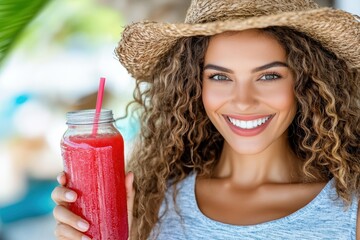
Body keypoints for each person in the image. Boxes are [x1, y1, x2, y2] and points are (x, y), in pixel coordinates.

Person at [51, 0, 360, 239]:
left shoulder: (350, 214)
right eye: (220, 77)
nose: (242, 101)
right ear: (194, 85)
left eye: (268, 75)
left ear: (306, 82)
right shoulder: (151, 204)